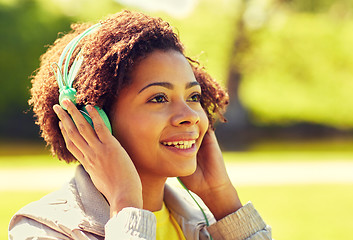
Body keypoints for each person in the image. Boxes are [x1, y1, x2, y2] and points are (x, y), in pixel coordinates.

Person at [9, 10, 271, 240]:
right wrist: (125, 206)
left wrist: (223, 200)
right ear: (92, 121)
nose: (190, 115)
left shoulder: (208, 223)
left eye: (194, 97)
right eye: (159, 98)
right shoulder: (42, 230)